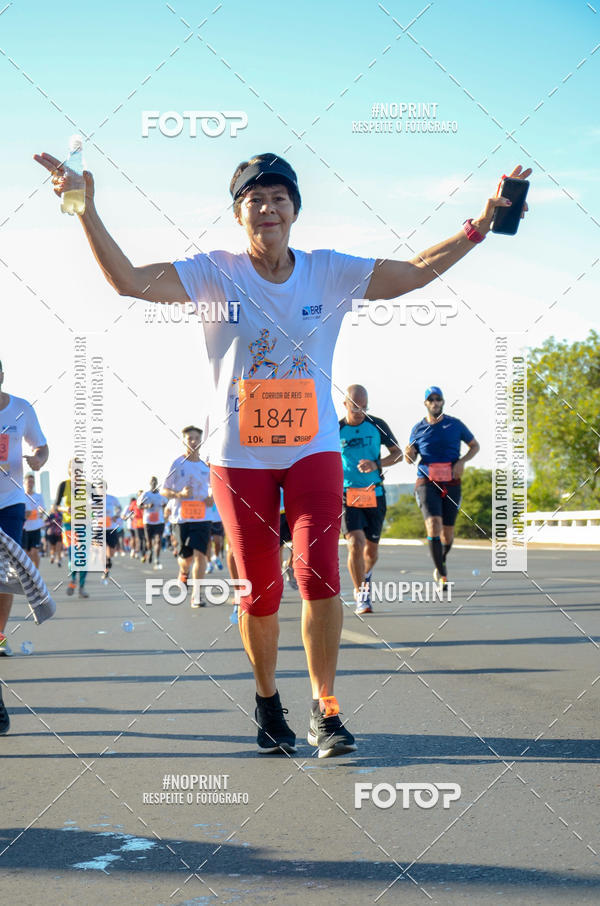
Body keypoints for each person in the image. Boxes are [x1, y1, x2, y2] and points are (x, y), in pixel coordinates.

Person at [34, 146, 530, 756]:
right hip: (238, 459)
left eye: (278, 198)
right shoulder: (213, 273)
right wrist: (84, 207)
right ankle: (268, 701)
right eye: (254, 200)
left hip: (312, 452)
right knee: (260, 589)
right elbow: (129, 280)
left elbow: (415, 273)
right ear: (238, 214)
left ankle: (326, 709)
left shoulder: (329, 271)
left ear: (295, 210)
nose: (267, 208)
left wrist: (479, 226)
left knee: (320, 575)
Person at [405, 386, 480, 591]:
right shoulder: (418, 428)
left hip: (451, 481)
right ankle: (443, 575)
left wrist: (462, 462)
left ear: (443, 402)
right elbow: (410, 458)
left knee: (447, 534)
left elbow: (475, 446)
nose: (435, 402)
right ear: (425, 403)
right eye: (431, 399)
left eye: (438, 399)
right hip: (427, 481)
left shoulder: (455, 424)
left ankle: (441, 560)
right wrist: (408, 454)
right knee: (433, 524)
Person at [0, 360, 49, 660]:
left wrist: (39, 459)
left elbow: (41, 446)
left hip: (10, 502)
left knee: (6, 571)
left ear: (2, 376)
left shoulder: (21, 408)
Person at [339, 385, 403, 615]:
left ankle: (365, 574)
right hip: (347, 494)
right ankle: (361, 595)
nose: (360, 412)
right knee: (355, 543)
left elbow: (398, 454)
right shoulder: (335, 429)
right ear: (345, 404)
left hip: (374, 493)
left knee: (371, 553)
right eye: (356, 407)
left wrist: (377, 464)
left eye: (364, 407)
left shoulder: (377, 424)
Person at [160, 426, 213, 608]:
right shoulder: (177, 464)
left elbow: (215, 488)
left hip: (202, 517)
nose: (193, 441)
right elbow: (164, 490)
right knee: (186, 558)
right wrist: (179, 494)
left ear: (201, 440)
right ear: (183, 441)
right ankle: (183, 572)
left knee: (200, 555)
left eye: (196, 438)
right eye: (190, 438)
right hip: (181, 517)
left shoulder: (206, 466)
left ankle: (196, 595)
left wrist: (212, 498)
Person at [55, 461, 90, 598]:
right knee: (72, 553)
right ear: (69, 470)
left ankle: (81, 587)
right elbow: (55, 506)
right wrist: (65, 509)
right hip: (69, 524)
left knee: (83, 556)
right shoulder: (64, 485)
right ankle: (73, 579)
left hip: (84, 524)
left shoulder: (88, 486)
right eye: (74, 468)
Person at [137, 477, 167, 570]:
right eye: (152, 482)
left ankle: (157, 559)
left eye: (155, 481)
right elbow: (139, 505)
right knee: (148, 541)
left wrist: (164, 505)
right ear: (150, 483)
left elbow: (167, 504)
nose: (153, 483)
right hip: (148, 521)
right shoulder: (145, 494)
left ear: (157, 483)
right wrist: (147, 506)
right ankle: (150, 551)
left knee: (158, 540)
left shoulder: (161, 494)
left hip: (159, 521)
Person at [21, 473, 46, 570]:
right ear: (24, 483)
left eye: (32, 482)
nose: (30, 484)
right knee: (27, 554)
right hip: (24, 528)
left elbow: (42, 509)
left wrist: (41, 511)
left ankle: (36, 572)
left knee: (34, 552)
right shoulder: (21, 496)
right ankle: (30, 572)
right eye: (29, 482)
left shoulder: (38, 496)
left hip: (36, 527)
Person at [103, 483, 122, 583]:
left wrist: (116, 515)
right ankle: (105, 568)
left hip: (111, 528)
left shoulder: (112, 499)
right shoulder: (92, 500)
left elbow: (119, 508)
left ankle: (108, 559)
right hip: (98, 528)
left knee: (111, 550)